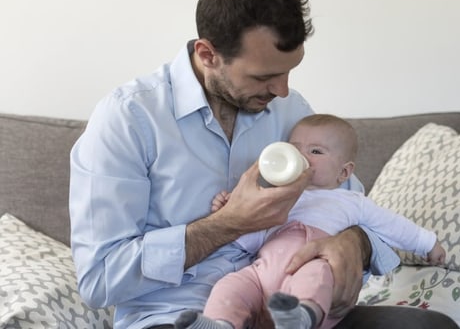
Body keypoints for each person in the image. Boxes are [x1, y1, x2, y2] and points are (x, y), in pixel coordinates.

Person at [69, 0, 459, 328]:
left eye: (289, 71)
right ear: (208, 55)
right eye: (265, 76)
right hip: (178, 315)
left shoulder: (290, 111)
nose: (283, 90)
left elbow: (349, 204)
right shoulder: (128, 120)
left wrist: (353, 242)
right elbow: (100, 279)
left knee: (432, 326)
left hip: (291, 305)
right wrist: (229, 223)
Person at [174, 114, 446, 329]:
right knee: (231, 284)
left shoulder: (351, 202)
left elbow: (393, 226)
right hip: (262, 271)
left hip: (310, 266)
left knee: (317, 274)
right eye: (295, 149)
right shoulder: (277, 196)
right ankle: (221, 323)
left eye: (316, 151)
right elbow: (249, 237)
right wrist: (228, 212)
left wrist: (428, 243)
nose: (302, 157)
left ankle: (302, 315)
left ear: (344, 172)